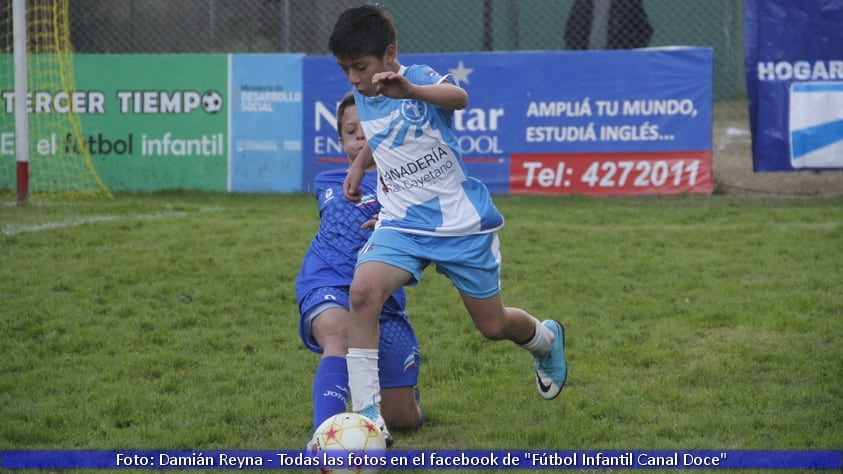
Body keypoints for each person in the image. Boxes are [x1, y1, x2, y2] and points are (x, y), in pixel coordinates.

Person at [328, 5, 568, 443]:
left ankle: (545, 340)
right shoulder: (363, 92)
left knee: (493, 327)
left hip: (459, 225)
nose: (354, 79)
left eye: (360, 67)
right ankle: (366, 417)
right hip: (401, 222)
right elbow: (385, 137)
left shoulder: (415, 76)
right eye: (345, 69)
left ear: (389, 54)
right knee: (362, 294)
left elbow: (459, 98)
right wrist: (361, 164)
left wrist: (412, 90)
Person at [295, 92, 422, 447]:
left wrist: (393, 218)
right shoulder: (327, 181)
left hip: (381, 297)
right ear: (340, 140)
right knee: (339, 332)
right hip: (328, 279)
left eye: (369, 131)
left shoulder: (406, 186)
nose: (361, 139)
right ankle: (325, 436)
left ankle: (401, 393)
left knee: (404, 420)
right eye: (352, 132)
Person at [564, 0, 653, 50]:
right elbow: (571, 29)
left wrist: (629, 50)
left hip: (617, 56)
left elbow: (645, 30)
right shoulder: (583, 3)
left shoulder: (629, 2)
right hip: (588, 55)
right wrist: (577, 49)